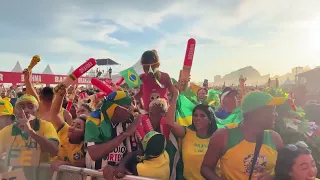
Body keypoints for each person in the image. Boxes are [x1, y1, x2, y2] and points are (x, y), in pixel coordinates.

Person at [201, 91, 285, 180]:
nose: (276, 114)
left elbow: (285, 170)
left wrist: (274, 177)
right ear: (254, 113)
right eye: (271, 110)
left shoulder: (275, 139)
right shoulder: (223, 136)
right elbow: (206, 168)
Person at [0, 94, 59, 179]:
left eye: (31, 107)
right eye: (21, 107)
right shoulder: (6, 131)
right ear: (15, 111)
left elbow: (54, 150)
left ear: (37, 111)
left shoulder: (46, 126)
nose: (26, 110)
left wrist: (31, 132)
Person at [167, 90, 218, 180]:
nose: (198, 118)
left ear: (210, 119)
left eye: (202, 116)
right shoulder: (187, 133)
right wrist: (175, 96)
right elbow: (170, 123)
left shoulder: (217, 138)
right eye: (195, 115)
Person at [85, 91, 140, 170]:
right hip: (96, 175)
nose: (129, 113)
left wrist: (122, 165)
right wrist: (124, 134)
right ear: (114, 107)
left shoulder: (128, 121)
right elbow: (94, 153)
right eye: (127, 109)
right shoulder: (94, 119)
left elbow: (132, 151)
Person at [103, 131, 170, 180]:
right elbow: (134, 153)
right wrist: (122, 166)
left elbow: (122, 173)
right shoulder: (165, 155)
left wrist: (120, 166)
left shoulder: (140, 169)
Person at [49, 84, 86, 170]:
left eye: (78, 126)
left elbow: (86, 166)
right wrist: (60, 95)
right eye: (72, 124)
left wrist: (64, 164)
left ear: (85, 133)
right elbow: (54, 113)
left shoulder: (86, 147)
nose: (72, 127)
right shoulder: (65, 131)